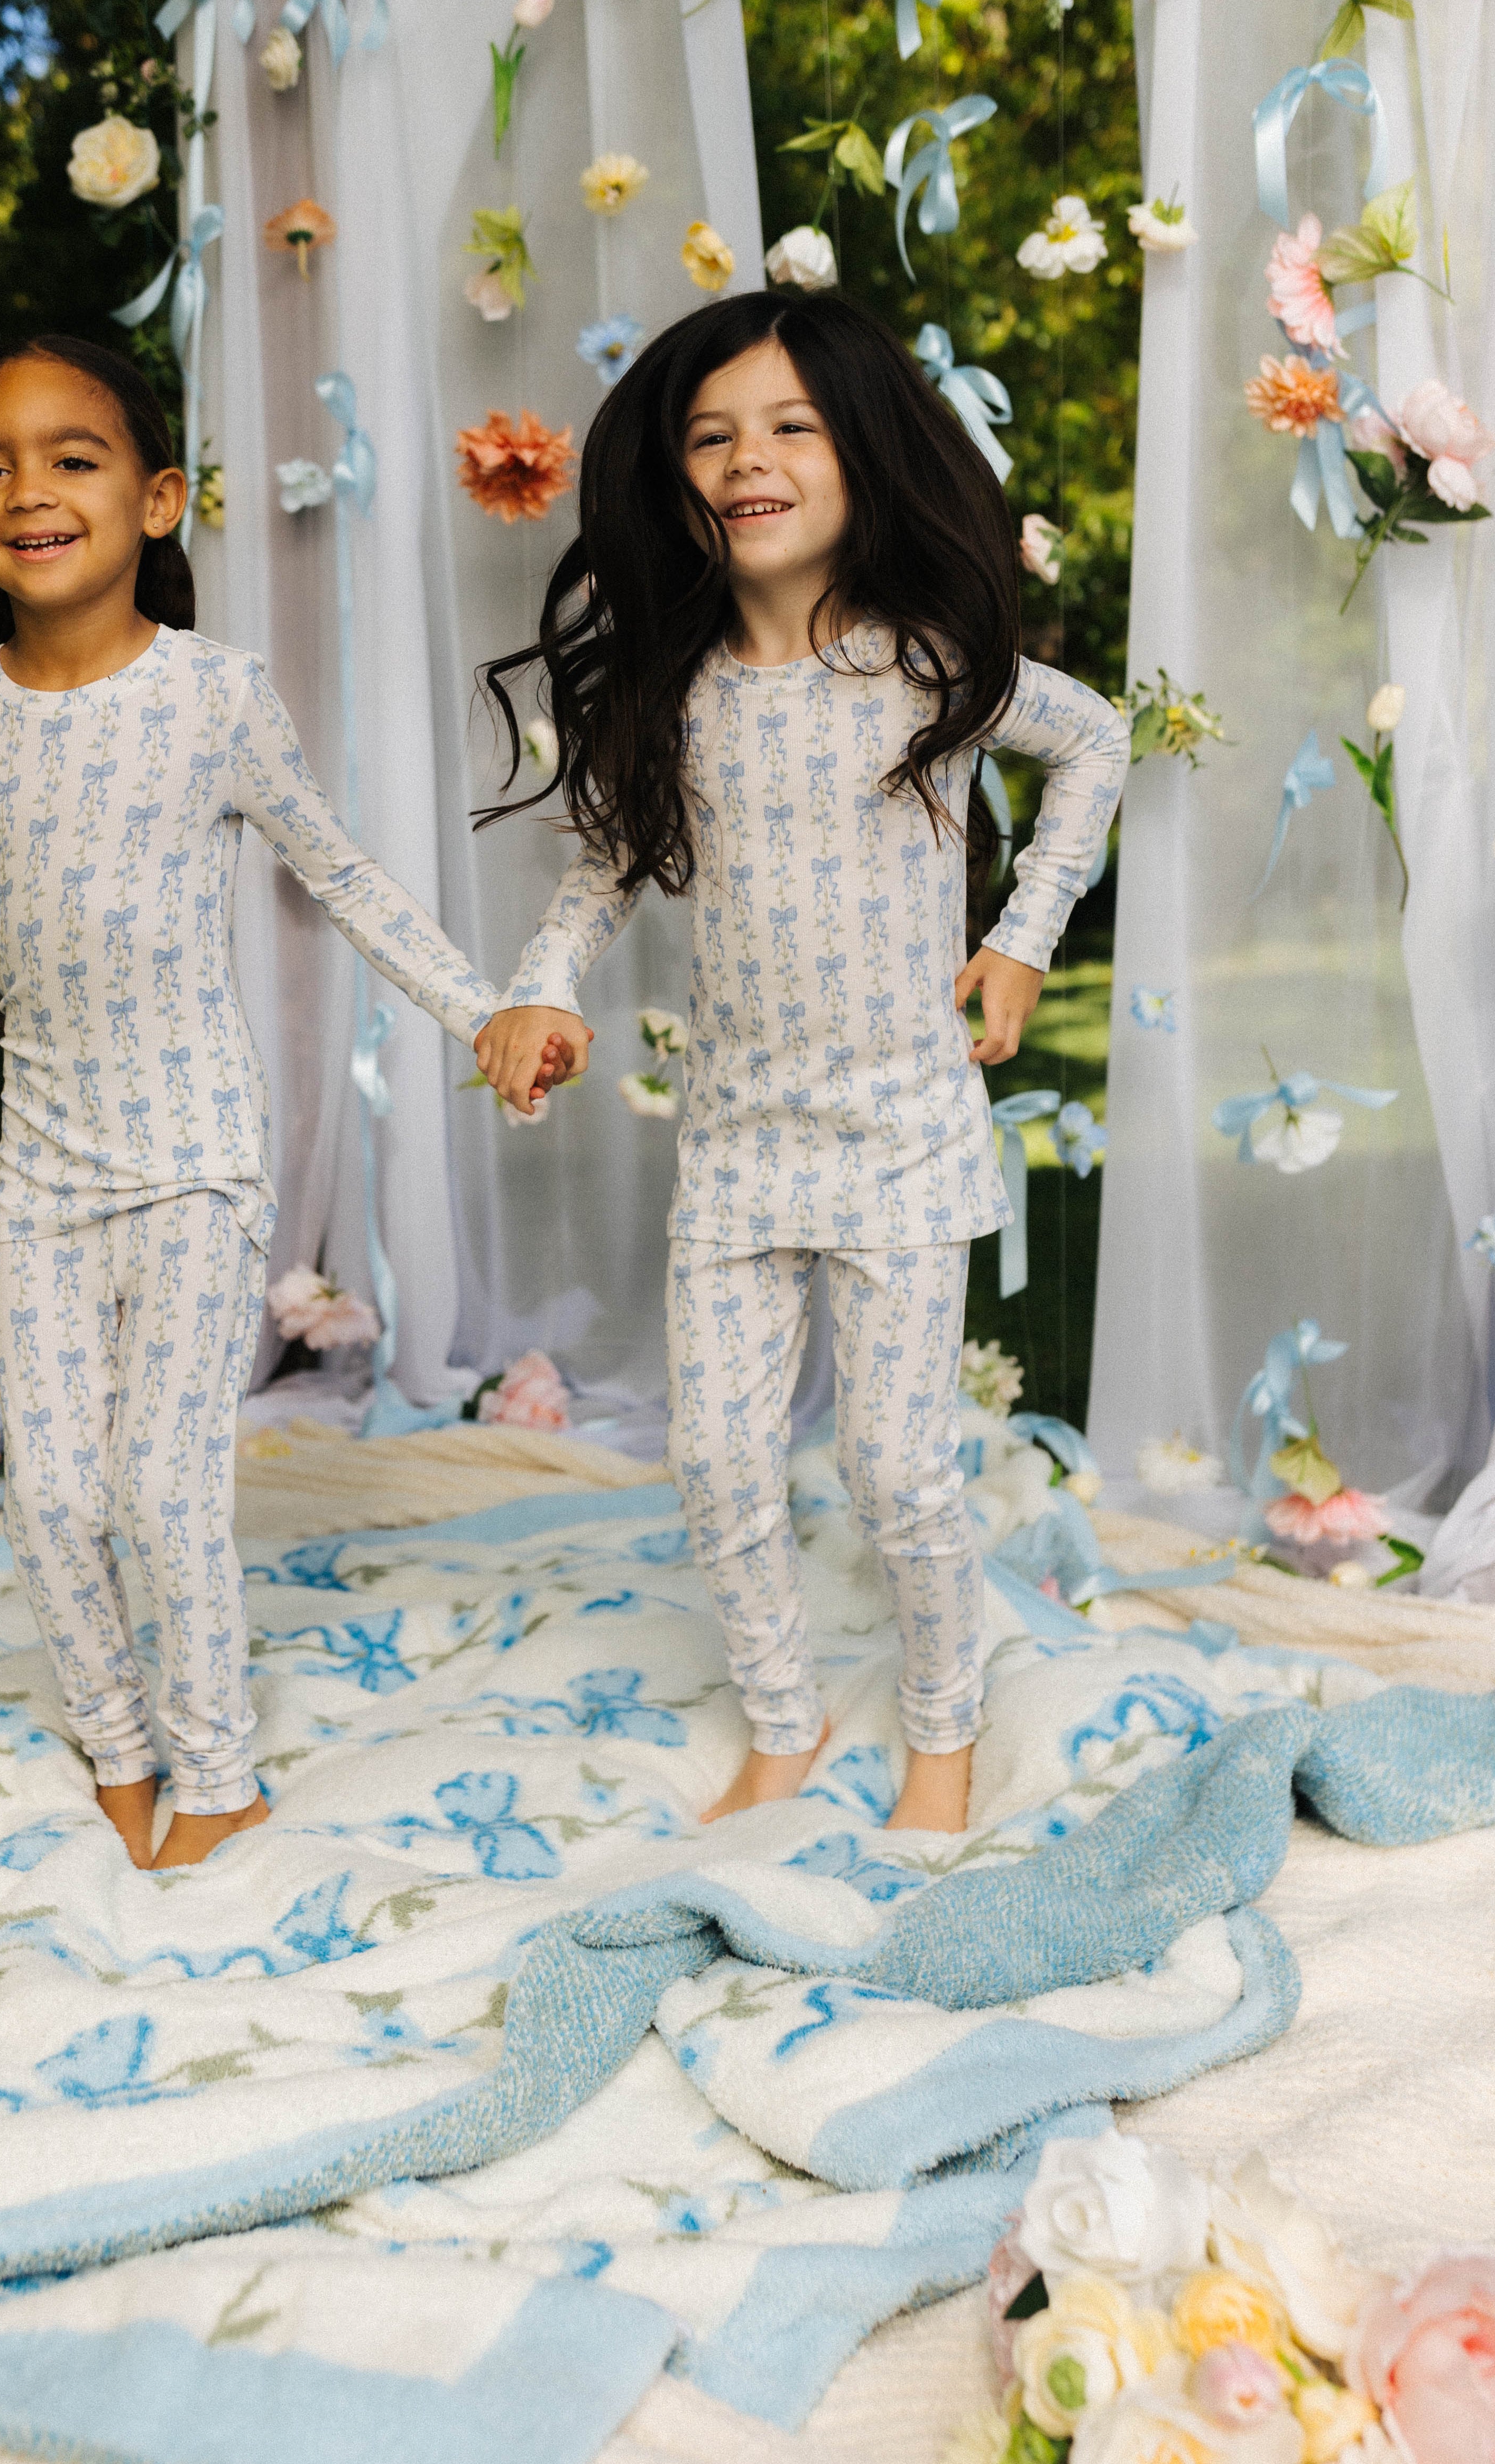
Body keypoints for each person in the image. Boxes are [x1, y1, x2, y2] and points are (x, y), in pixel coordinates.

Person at [0, 336, 579, 1869]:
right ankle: (119, 1747)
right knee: (55, 1495)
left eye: (72, 457)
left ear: (154, 500)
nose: (31, 489)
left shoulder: (215, 696)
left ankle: (220, 1775)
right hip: (54, 1164)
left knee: (158, 1484)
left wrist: (485, 1010)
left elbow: (336, 868)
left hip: (202, 1151)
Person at [473, 293, 1128, 1835]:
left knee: (900, 1476)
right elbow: (602, 872)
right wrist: (540, 989)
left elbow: (1093, 738)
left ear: (862, 456)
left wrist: (1026, 930)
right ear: (677, 476)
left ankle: (945, 1728)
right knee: (715, 1462)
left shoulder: (928, 661)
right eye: (711, 436)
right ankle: (782, 1716)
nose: (745, 460)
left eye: (789, 427)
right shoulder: (676, 686)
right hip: (741, 1145)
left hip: (900, 1133)